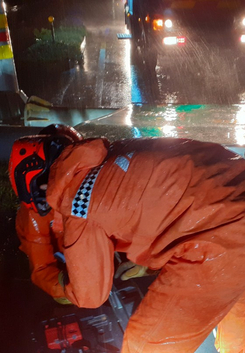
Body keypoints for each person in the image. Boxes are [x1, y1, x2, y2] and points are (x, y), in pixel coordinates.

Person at [9, 132, 245, 353]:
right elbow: (160, 198)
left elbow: (90, 295)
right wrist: (149, 260)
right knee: (238, 286)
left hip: (223, 241)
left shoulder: (76, 199)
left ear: (37, 186)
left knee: (145, 351)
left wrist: (55, 282)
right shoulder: (112, 153)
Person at [10, 124, 152, 305]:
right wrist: (66, 287)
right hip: (66, 265)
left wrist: (149, 259)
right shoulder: (35, 212)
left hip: (98, 250)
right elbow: (42, 268)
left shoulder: (101, 182)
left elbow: (137, 220)